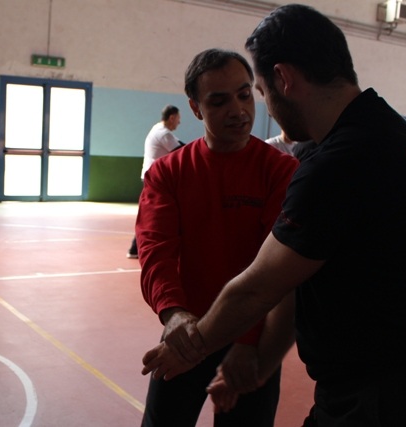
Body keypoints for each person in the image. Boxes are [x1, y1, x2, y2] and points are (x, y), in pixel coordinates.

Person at [141, 5, 406, 426]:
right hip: (395, 387)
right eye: (221, 100)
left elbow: (262, 287)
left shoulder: (334, 166)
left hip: (383, 397)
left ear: (284, 79)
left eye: (255, 91)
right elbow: (158, 248)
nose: (253, 108)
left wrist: (199, 343)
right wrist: (182, 318)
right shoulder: (386, 131)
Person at [136, 48, 299, 426]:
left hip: (250, 340)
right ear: (196, 108)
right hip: (185, 338)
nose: (238, 110)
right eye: (219, 101)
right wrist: (173, 313)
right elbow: (154, 250)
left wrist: (249, 343)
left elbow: (278, 272)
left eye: (244, 95)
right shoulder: (168, 174)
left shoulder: (281, 172)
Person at [127, 104, 182, 259]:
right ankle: (135, 248)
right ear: (172, 117)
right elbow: (181, 151)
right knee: (153, 214)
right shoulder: (164, 134)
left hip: (152, 177)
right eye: (178, 118)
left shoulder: (157, 129)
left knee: (151, 213)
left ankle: (135, 248)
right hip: (156, 179)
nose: (179, 122)